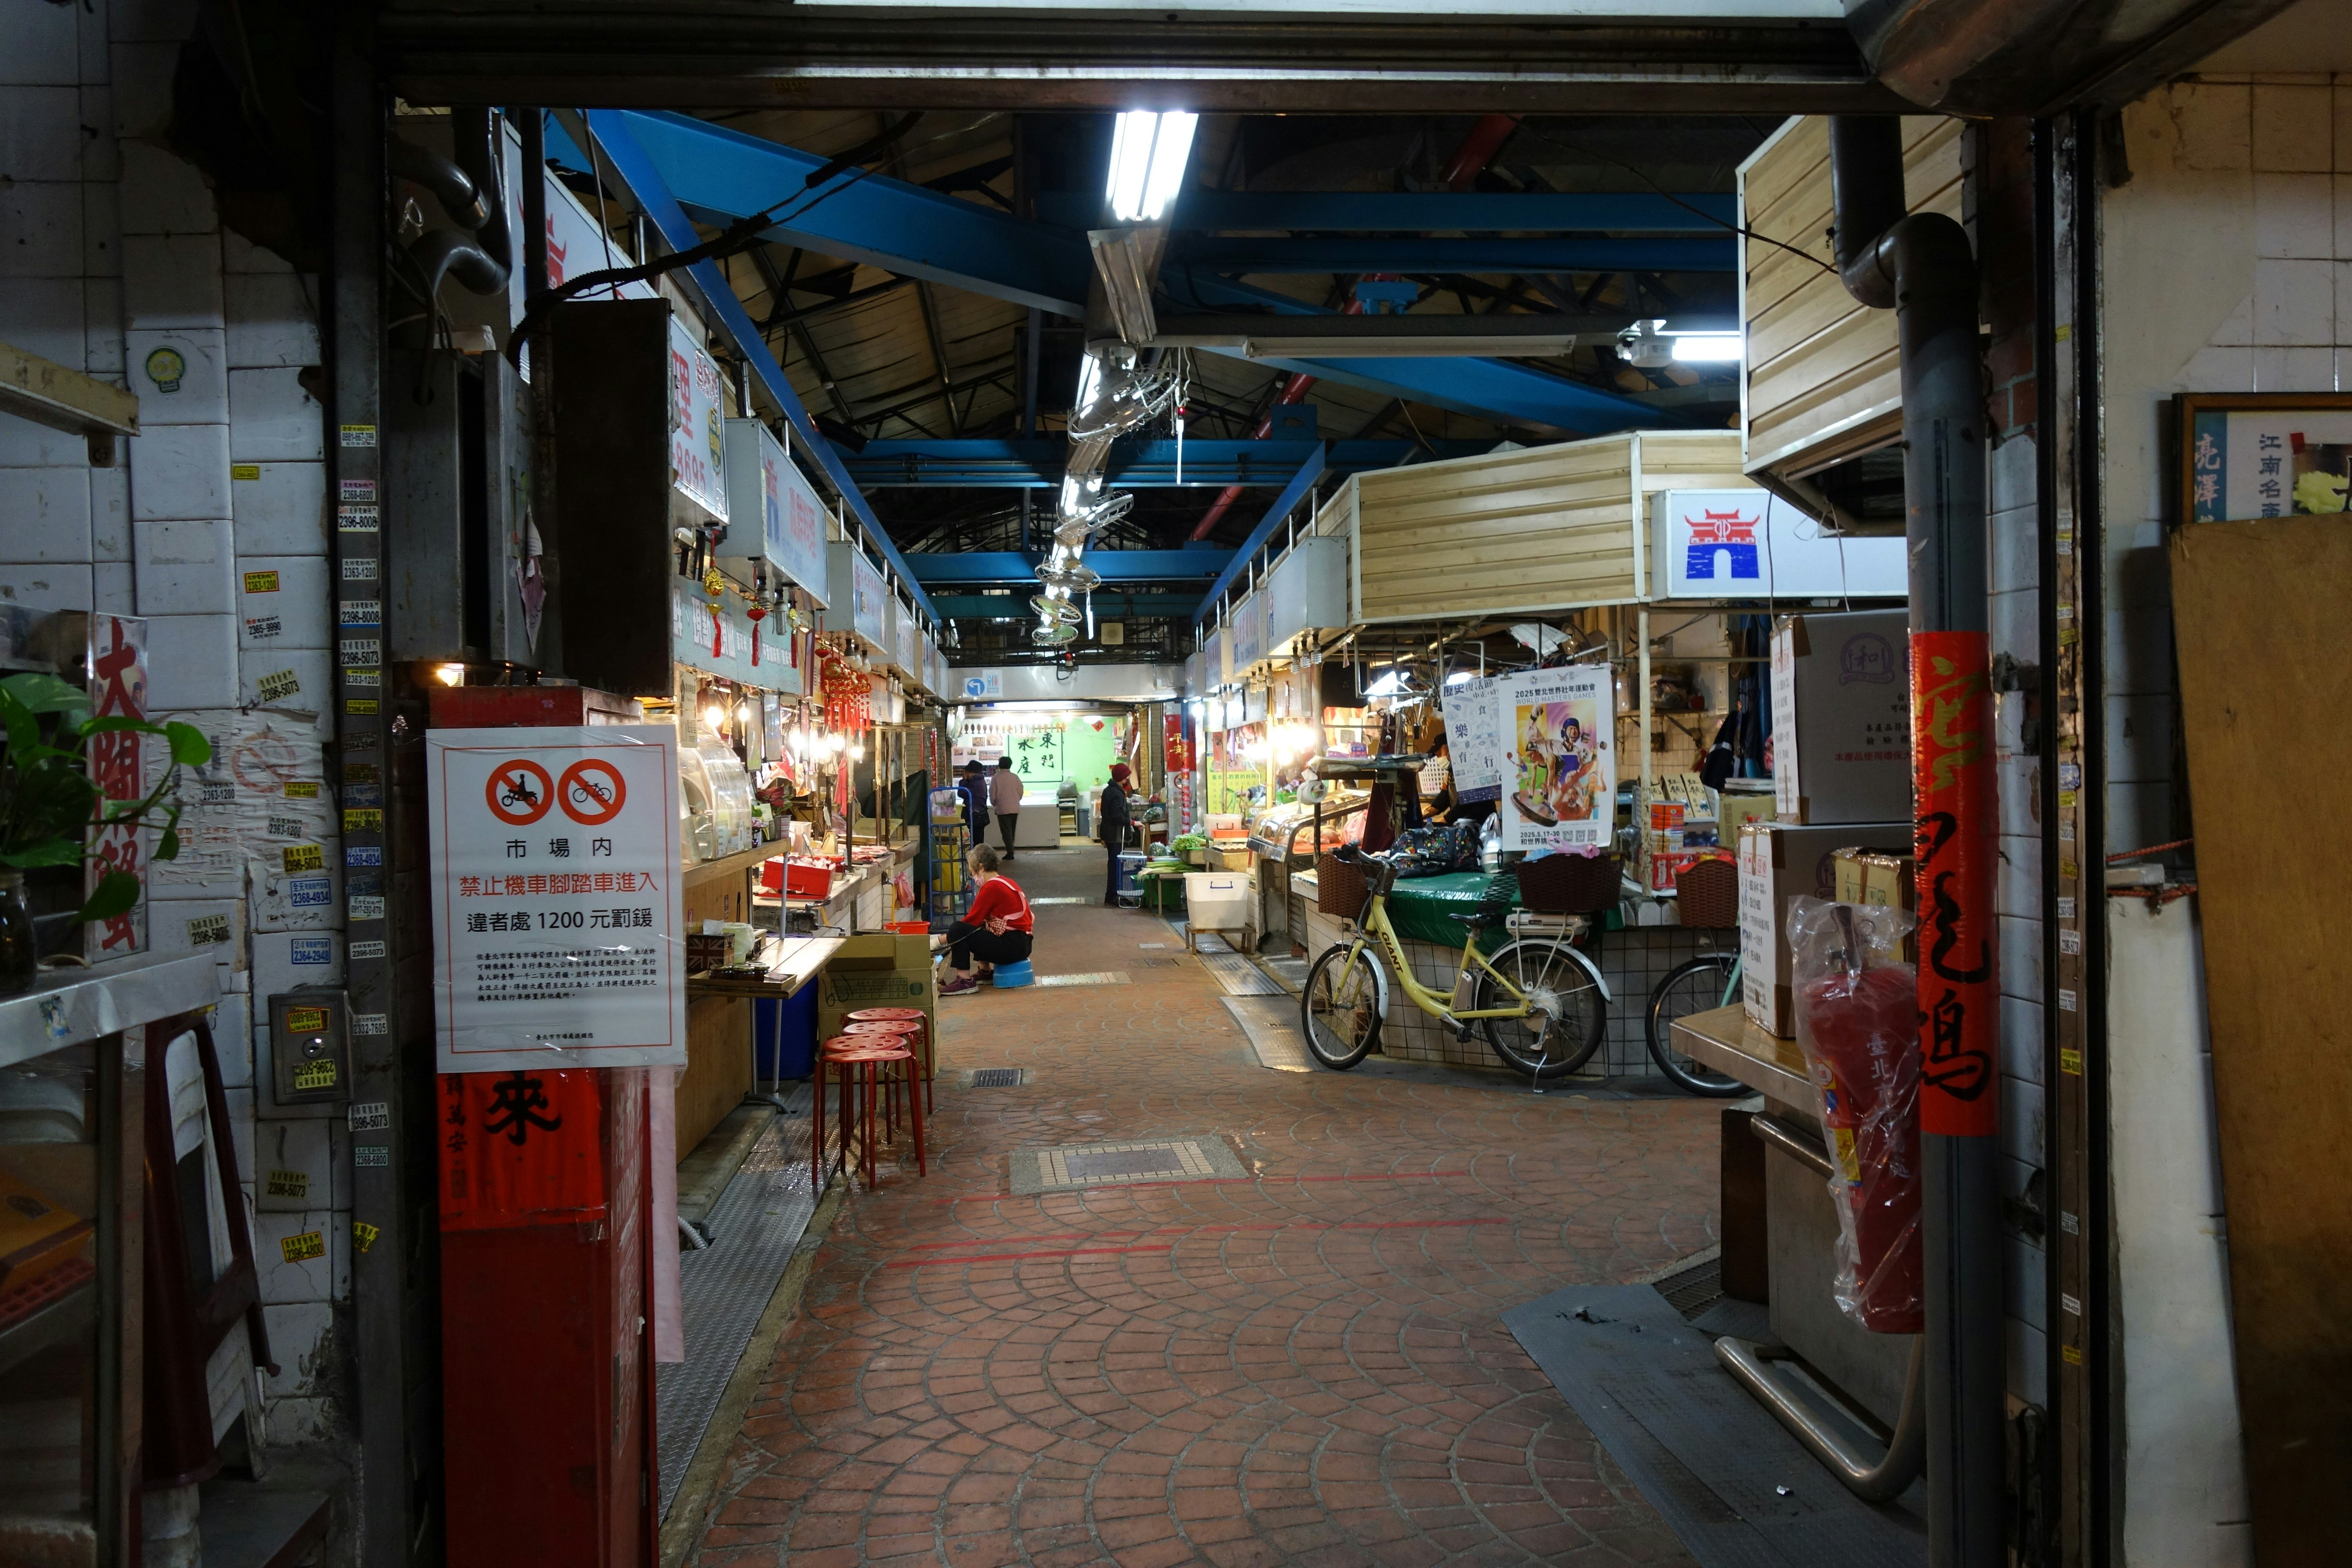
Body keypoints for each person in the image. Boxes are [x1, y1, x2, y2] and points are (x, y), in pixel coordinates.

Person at [939, 845, 1032, 995]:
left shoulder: (991, 888)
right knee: (982, 926)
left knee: (958, 929)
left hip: (1012, 947)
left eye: (972, 872)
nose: (973, 877)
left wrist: (938, 941)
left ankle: (964, 980)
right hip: (1023, 944)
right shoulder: (1006, 882)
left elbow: (970, 922)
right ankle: (985, 971)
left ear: (981, 868)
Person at [1097, 762, 1133, 905]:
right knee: (1116, 865)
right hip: (1116, 834)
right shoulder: (1117, 794)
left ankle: (1113, 895)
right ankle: (1114, 896)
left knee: (1113, 865)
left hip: (1108, 833)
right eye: (1126, 777)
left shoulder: (1108, 790)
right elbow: (1117, 816)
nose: (1127, 779)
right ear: (1122, 778)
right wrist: (1131, 822)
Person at [988, 754, 1023, 859]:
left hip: (1002, 809)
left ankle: (1010, 853)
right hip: (1015, 808)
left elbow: (992, 794)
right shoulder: (1015, 777)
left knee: (1006, 832)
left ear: (999, 765)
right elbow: (1021, 791)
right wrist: (1017, 800)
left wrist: (994, 803)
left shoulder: (996, 778)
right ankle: (1011, 850)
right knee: (1012, 831)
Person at [957, 760, 989, 848]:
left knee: (977, 841)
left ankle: (979, 858)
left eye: (968, 772)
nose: (966, 774)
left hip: (975, 815)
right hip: (979, 814)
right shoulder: (979, 781)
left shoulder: (975, 783)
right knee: (978, 840)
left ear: (972, 773)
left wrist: (964, 780)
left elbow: (962, 793)